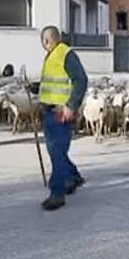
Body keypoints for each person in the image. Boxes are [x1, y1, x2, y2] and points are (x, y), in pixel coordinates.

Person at [33, 26, 88, 211]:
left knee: (56, 150)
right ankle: (73, 177)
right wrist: (35, 88)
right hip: (49, 111)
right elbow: (52, 83)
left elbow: (81, 80)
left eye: (45, 41)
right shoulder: (52, 56)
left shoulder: (66, 54)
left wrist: (72, 106)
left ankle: (57, 193)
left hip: (60, 112)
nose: (43, 44)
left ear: (49, 40)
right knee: (56, 150)